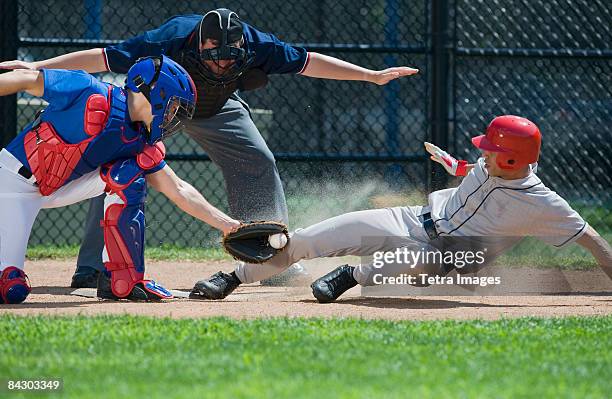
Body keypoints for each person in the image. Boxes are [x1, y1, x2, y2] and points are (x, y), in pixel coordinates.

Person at [0, 8, 419, 288]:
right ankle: (92, 269)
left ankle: (271, 259)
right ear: (198, 43)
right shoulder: (172, 38)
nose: (221, 62)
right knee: (118, 164)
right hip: (162, 108)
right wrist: (37, 67)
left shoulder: (258, 44)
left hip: (219, 109)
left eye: (228, 58)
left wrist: (371, 76)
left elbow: (311, 62)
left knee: (259, 160)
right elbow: (103, 58)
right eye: (212, 55)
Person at [189, 115, 612, 302]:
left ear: (514, 162)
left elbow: (592, 240)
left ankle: (350, 276)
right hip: (412, 216)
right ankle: (232, 278)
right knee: (307, 239)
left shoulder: (542, 204)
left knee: (412, 258)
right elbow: (472, 168)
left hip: (449, 256)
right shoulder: (493, 164)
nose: (483, 154)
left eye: (491, 150)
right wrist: (453, 165)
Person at [0, 55, 240, 304]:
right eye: (172, 106)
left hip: (59, 186)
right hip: (12, 184)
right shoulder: (89, 91)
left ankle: (122, 280)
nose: (172, 116)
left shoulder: (140, 139)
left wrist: (229, 226)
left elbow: (178, 188)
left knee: (129, 174)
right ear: (156, 93)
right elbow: (26, 78)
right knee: (11, 288)